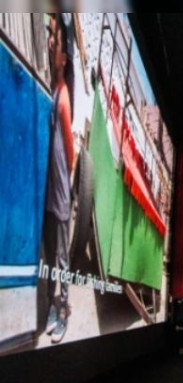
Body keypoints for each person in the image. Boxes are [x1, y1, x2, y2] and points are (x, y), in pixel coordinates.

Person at [42, 12, 76, 344]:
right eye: (50, 35)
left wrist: (63, 188)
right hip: (50, 191)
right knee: (51, 254)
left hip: (60, 192)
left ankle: (64, 309)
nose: (51, 42)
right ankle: (53, 304)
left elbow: (69, 149)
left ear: (64, 59)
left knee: (62, 257)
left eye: (56, 39)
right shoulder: (52, 89)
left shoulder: (63, 95)